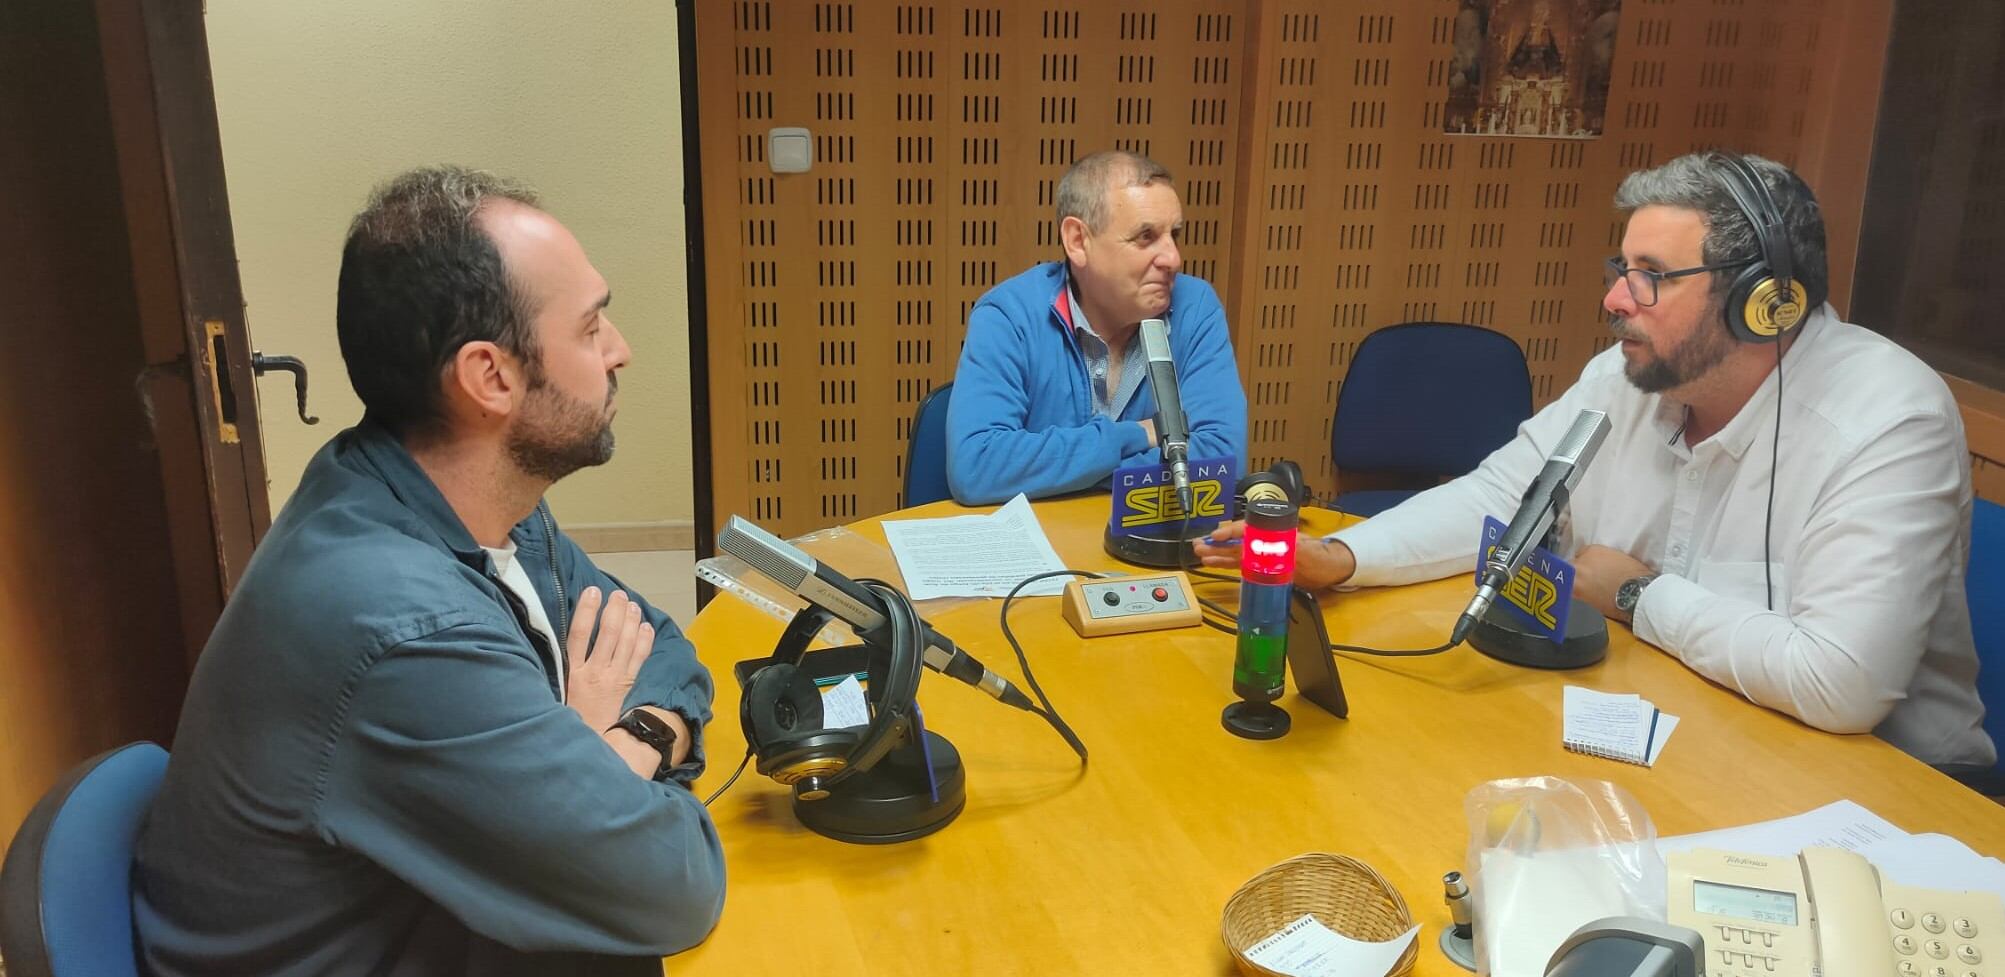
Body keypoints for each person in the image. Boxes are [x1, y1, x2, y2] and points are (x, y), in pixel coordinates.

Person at [1198, 151, 1994, 768]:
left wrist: (1638, 593)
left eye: (1651, 277)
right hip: (1684, 736)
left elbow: (1841, 681)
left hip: (1882, 799)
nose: (1615, 299)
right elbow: (1502, 491)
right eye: (1622, 269)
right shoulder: (1625, 377)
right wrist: (1342, 557)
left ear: (1765, 301)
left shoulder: (1889, 420)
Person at [134, 167, 726, 976]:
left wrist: (621, 741)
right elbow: (673, 887)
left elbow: (662, 647)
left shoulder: (465, 497)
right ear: (491, 377)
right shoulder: (401, 626)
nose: (621, 349)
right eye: (591, 328)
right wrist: (588, 752)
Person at [945, 150, 1247, 504]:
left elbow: (1223, 462)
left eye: (1174, 235)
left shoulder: (1195, 308)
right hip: (1046, 549)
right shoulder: (1009, 315)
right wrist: (1133, 436)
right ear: (1078, 241)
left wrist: (1065, 471)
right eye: (1145, 236)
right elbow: (978, 466)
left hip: (1148, 546)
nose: (1173, 259)